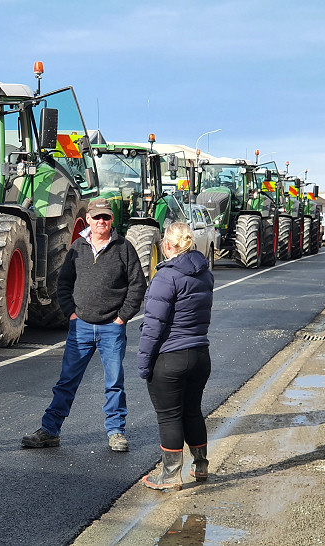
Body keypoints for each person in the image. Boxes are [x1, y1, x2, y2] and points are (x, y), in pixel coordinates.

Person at [21, 197, 147, 452]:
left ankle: (116, 432)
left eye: (106, 217)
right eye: (97, 217)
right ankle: (50, 430)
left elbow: (137, 285)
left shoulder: (124, 248)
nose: (102, 221)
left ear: (111, 220)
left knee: (114, 383)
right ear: (88, 219)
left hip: (112, 327)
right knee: (67, 381)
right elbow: (63, 284)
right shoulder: (77, 247)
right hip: (81, 328)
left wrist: (123, 316)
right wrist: (71, 314)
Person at [137, 222, 214, 491]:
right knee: (192, 411)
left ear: (167, 246)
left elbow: (152, 327)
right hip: (200, 355)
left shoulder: (165, 277)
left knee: (169, 416)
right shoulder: (205, 273)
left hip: (171, 358)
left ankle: (170, 476)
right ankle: (201, 466)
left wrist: (144, 364)